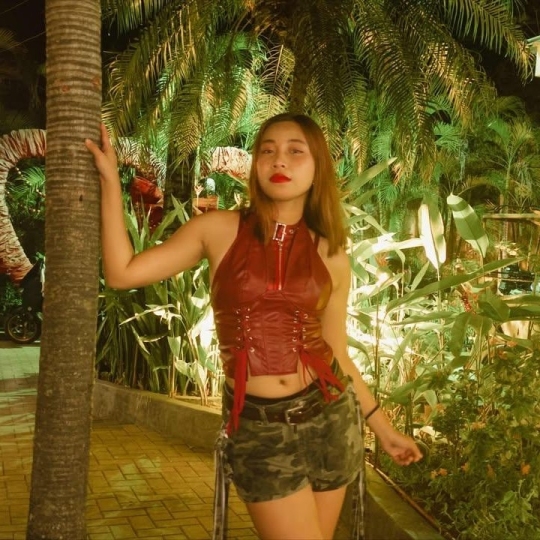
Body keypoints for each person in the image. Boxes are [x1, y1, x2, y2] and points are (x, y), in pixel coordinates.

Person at [86, 114, 422, 540]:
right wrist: (111, 182)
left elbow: (337, 352)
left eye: (295, 151)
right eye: (268, 150)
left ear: (317, 166)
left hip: (331, 421)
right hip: (260, 430)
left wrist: (384, 431)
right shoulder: (218, 229)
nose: (279, 160)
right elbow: (122, 273)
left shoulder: (331, 253)